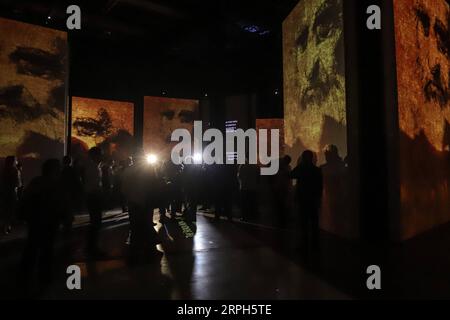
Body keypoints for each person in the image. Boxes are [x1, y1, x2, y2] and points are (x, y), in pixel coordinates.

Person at [20, 159, 64, 291]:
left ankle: (25, 275)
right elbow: (60, 203)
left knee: (32, 247)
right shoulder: (55, 184)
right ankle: (44, 276)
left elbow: (25, 198)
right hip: (49, 221)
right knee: (47, 249)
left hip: (35, 220)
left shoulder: (36, 182)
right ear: (54, 170)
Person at [121, 151, 161, 263]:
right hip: (146, 202)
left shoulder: (127, 170)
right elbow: (154, 185)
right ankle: (150, 251)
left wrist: (130, 198)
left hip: (133, 203)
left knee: (134, 228)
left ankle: (134, 253)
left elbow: (124, 188)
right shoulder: (149, 169)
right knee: (147, 225)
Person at [290, 150, 323, 250]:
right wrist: (319, 198)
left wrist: (300, 165)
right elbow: (320, 186)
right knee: (314, 222)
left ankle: (304, 243)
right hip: (313, 199)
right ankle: (315, 243)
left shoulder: (301, 168)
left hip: (302, 198)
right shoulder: (317, 170)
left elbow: (291, 175)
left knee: (303, 222)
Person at [83, 147, 104, 256]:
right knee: (96, 222)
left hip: (94, 196)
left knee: (96, 222)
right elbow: (92, 185)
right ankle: (92, 248)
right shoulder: (92, 168)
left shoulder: (96, 167)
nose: (102, 156)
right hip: (93, 197)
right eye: (100, 154)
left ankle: (91, 246)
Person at [61, 155, 82, 236]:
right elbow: (77, 182)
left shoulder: (62, 170)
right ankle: (68, 228)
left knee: (67, 210)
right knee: (69, 210)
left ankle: (66, 227)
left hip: (65, 193)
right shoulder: (73, 170)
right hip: (71, 193)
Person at [271, 155, 292, 227]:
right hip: (284, 189)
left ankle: (280, 221)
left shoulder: (281, 169)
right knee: (282, 206)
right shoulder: (288, 168)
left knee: (280, 206)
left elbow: (277, 179)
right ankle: (282, 220)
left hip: (280, 189)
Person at [1, 156, 20, 235]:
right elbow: (18, 184)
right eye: (16, 160)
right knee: (10, 211)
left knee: (5, 210)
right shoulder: (15, 170)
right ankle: (7, 227)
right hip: (12, 193)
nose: (17, 162)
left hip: (3, 192)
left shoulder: (3, 170)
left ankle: (5, 227)